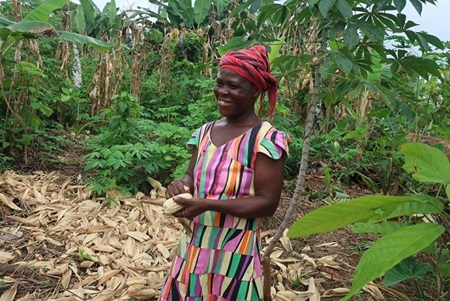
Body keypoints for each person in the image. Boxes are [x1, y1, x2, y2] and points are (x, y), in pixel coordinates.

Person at [159, 45, 290, 301]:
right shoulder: (206, 132)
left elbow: (267, 203)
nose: (222, 92)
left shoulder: (266, 139)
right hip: (195, 245)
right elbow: (190, 177)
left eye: (234, 86)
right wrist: (180, 187)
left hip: (235, 252)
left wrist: (207, 204)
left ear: (255, 90)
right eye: (219, 84)